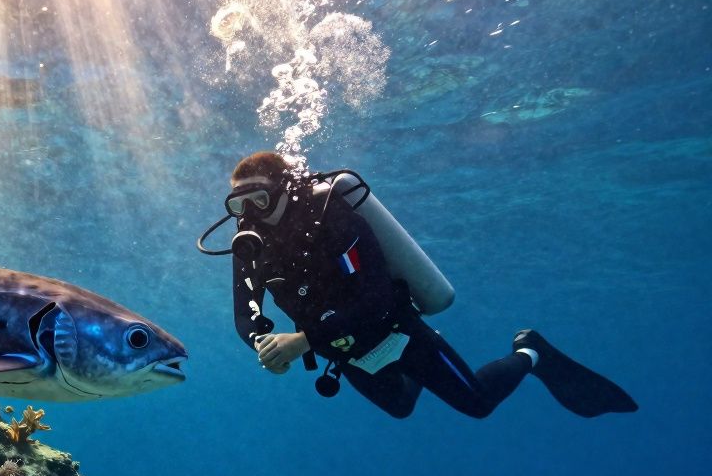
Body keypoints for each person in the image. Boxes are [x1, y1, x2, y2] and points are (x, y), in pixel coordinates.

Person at [197, 151, 637, 419]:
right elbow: (245, 310)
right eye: (240, 204)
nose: (250, 213)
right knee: (401, 406)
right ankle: (422, 372)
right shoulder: (251, 243)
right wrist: (262, 343)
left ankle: (532, 351)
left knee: (479, 403)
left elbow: (376, 297)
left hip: (397, 333)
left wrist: (302, 341)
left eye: (259, 198)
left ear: (286, 189)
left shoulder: (331, 216)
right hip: (347, 354)